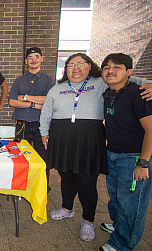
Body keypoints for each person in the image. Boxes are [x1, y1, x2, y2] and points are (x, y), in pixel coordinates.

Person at [39, 53, 152, 242]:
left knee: (86, 181)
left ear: (90, 66)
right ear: (65, 69)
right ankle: (67, 208)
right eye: (70, 65)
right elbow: (46, 112)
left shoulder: (101, 82)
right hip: (62, 139)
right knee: (65, 176)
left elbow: (130, 79)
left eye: (81, 64)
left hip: (89, 141)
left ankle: (88, 221)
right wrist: (44, 133)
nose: (76, 68)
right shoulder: (56, 89)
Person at [99, 53, 152, 251]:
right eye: (106, 67)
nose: (110, 71)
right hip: (112, 153)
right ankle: (119, 226)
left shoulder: (140, 94)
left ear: (129, 72)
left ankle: (122, 245)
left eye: (117, 67)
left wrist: (143, 162)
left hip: (134, 157)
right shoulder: (108, 92)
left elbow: (151, 130)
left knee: (132, 204)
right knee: (116, 197)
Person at [9, 47, 55, 192]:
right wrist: (35, 104)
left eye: (36, 56)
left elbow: (49, 100)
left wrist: (25, 97)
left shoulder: (49, 80)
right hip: (22, 124)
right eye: (30, 57)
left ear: (42, 59)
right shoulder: (19, 81)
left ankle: (43, 187)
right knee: (20, 156)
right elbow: (12, 102)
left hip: (42, 125)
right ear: (26, 61)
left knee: (43, 158)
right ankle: (22, 185)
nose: (33, 60)